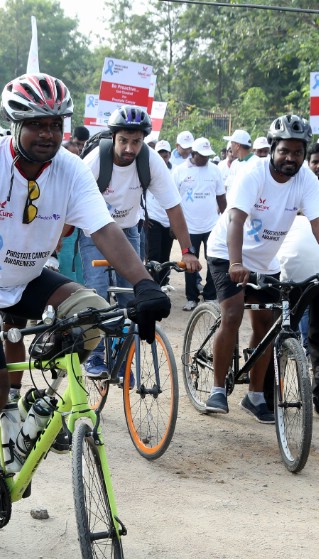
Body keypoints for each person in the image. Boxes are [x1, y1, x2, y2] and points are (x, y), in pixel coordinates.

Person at [0, 73, 171, 559]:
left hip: (26, 276)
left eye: (56, 124)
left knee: (92, 314)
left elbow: (104, 228)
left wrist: (145, 283)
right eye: (36, 124)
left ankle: (38, 412)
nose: (48, 133)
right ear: (15, 124)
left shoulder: (69, 168)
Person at [205, 115, 319, 420]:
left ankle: (256, 395)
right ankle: (218, 389)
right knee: (232, 315)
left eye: (298, 152)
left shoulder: (306, 180)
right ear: (272, 148)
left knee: (267, 326)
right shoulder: (252, 173)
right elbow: (236, 220)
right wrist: (235, 262)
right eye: (285, 150)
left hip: (265, 260)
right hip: (227, 252)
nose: (291, 158)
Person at [78, 104, 201, 379]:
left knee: (132, 297)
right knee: (96, 295)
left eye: (136, 142)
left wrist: (187, 250)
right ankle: (95, 354)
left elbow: (173, 206)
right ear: (113, 138)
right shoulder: (96, 161)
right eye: (124, 141)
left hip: (129, 231)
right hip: (94, 234)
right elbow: (71, 201)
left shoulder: (150, 161)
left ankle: (123, 358)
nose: (130, 148)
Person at [273, 142, 319, 419]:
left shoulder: (283, 214)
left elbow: (275, 259)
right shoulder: (317, 213)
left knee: (281, 332)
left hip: (298, 269)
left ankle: (268, 398)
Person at [172, 136, 226, 311]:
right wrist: (173, 225)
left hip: (212, 225)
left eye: (208, 155)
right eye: (202, 155)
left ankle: (210, 296)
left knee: (213, 260)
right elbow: (172, 201)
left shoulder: (215, 170)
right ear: (193, 153)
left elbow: (221, 197)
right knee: (190, 263)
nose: (206, 158)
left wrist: (226, 220)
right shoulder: (179, 171)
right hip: (189, 227)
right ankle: (191, 297)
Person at [143, 140, 176, 281]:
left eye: (165, 154)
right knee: (153, 255)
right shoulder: (148, 170)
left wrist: (175, 223)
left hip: (168, 220)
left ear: (169, 154)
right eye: (160, 154)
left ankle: (163, 283)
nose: (163, 157)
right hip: (153, 219)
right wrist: (144, 215)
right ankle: (152, 284)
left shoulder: (175, 172)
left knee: (165, 257)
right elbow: (141, 194)